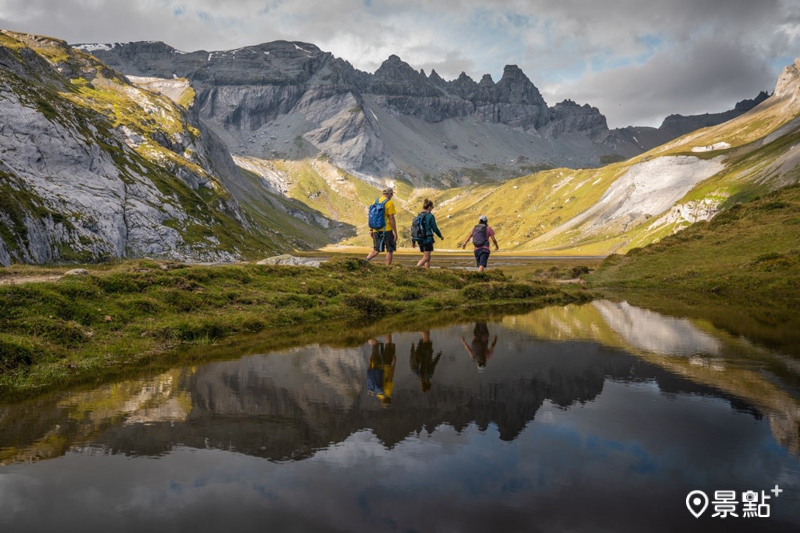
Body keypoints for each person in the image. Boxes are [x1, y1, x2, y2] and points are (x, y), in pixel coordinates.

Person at [366, 187, 398, 266]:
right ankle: (387, 267)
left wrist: (371, 229)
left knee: (376, 249)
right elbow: (391, 218)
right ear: (389, 194)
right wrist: (395, 232)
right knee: (390, 250)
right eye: (392, 194)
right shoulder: (389, 203)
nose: (392, 196)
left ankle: (365, 261)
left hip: (376, 229)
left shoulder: (375, 201)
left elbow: (372, 216)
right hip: (387, 229)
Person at [367, 335, 397, 406]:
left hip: (386, 364)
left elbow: (390, 377)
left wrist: (394, 363)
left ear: (389, 400)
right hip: (375, 365)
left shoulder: (387, 392)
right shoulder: (375, 393)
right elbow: (369, 376)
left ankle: (387, 328)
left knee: (389, 345)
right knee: (375, 345)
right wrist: (370, 363)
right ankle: (367, 334)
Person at [414, 199, 444, 269]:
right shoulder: (430, 216)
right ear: (429, 207)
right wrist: (440, 236)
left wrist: (413, 241)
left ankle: (427, 271)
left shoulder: (419, 215)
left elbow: (415, 228)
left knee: (427, 256)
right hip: (427, 239)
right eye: (432, 207)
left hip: (420, 239)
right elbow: (434, 228)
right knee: (426, 257)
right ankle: (415, 269)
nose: (432, 209)